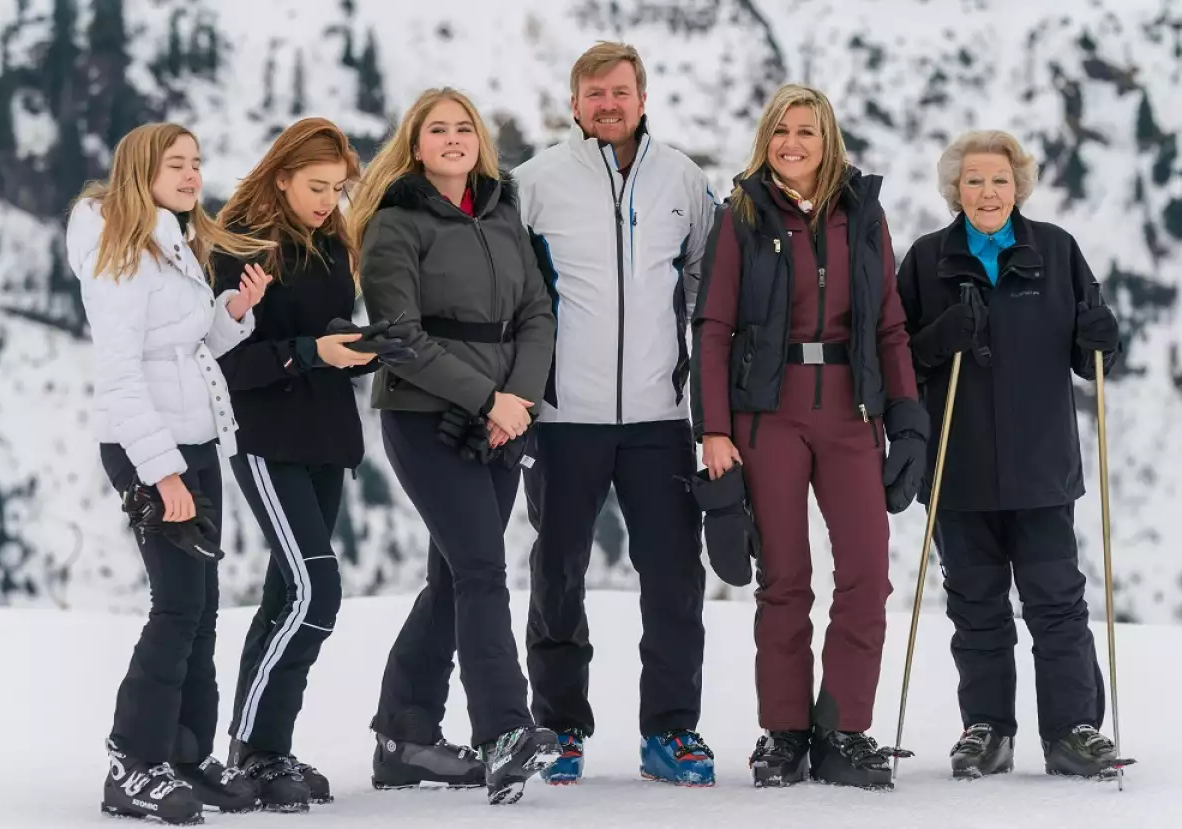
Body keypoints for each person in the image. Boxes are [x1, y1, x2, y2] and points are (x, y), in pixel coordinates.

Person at [691, 83, 928, 790]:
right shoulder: (741, 215)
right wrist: (714, 429)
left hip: (853, 413)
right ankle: (786, 730)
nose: (792, 143)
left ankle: (843, 729)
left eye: (807, 131)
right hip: (768, 415)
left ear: (829, 143)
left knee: (867, 573)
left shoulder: (863, 215)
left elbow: (889, 325)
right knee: (784, 577)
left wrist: (907, 420)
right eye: (781, 130)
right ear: (765, 138)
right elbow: (713, 328)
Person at [510, 40, 717, 787]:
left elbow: (704, 284)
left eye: (620, 91)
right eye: (594, 93)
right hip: (564, 415)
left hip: (660, 417)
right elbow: (510, 293)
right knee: (557, 574)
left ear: (641, 98)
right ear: (573, 103)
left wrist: (692, 381)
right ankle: (560, 726)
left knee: (674, 575)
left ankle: (671, 730)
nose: (608, 104)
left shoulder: (682, 179)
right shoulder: (532, 183)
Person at [346, 87, 560, 806]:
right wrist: (486, 399)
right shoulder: (395, 224)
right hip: (425, 418)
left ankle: (404, 736)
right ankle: (505, 730)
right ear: (415, 145)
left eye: (463, 127)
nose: (453, 138)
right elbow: (399, 338)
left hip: (502, 418)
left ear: (479, 141)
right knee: (480, 569)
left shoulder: (502, 213)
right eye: (437, 129)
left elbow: (537, 312)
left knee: (454, 578)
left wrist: (516, 401)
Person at [896, 129, 1127, 780]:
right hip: (958, 468)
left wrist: (1104, 338)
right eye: (974, 180)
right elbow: (896, 360)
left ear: (1018, 186)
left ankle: (1073, 730)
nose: (988, 192)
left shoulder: (1055, 251)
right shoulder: (926, 261)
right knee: (976, 607)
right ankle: (988, 730)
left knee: (1057, 603)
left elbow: (1090, 356)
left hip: (1041, 467)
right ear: (955, 189)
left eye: (999, 179)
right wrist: (940, 338)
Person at [66, 122, 274, 824]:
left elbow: (183, 344)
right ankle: (133, 762)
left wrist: (234, 310)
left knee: (203, 606)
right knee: (178, 604)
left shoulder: (170, 241)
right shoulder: (120, 251)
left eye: (196, 162)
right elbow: (122, 377)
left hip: (194, 439)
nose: (191, 175)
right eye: (175, 164)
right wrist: (163, 474)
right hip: (150, 448)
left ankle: (184, 756)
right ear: (140, 172)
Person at [210, 117, 415, 811]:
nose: (329, 201)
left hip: (326, 438)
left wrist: (359, 349)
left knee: (285, 598)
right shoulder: (239, 248)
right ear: (281, 178)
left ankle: (265, 748)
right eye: (316, 186)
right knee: (314, 593)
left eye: (337, 189)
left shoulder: (332, 243)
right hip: (267, 440)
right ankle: (254, 748)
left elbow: (320, 340)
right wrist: (310, 352)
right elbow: (226, 363)